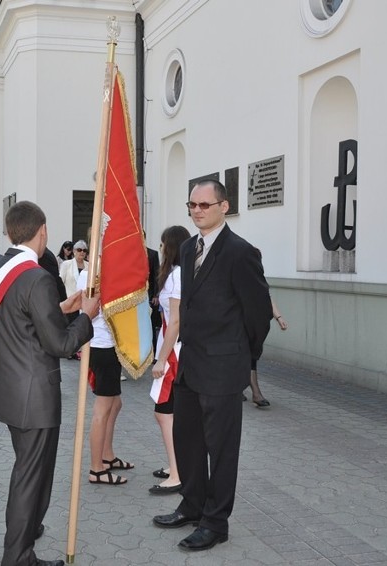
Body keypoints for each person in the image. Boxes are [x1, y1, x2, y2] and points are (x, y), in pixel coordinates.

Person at [153, 179, 271, 552]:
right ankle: (192, 505)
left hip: (223, 368)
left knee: (221, 449)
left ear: (224, 206)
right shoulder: (189, 249)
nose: (198, 210)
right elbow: (186, 306)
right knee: (187, 440)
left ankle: (216, 522)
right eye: (193, 205)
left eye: (205, 204)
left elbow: (258, 312)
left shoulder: (240, 252)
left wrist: (242, 354)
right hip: (190, 363)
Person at [0, 201, 98, 566]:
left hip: (11, 389)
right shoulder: (37, 276)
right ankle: (17, 556)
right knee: (30, 479)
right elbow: (61, 345)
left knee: (29, 474)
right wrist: (86, 316)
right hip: (35, 396)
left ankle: (26, 538)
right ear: (43, 230)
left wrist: (60, 310)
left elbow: (20, 319)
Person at [148, 225, 191, 495]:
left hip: (173, 351)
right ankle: (176, 466)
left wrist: (161, 359)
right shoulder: (181, 273)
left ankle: (177, 474)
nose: (161, 249)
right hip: (174, 347)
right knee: (170, 413)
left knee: (164, 413)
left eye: (163, 244)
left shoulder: (176, 275)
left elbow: (175, 321)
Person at [79, 268, 131, 487]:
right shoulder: (94, 273)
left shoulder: (99, 270)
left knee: (114, 403)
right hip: (103, 345)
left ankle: (107, 455)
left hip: (107, 344)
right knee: (103, 408)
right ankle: (96, 468)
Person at [246, 297, 288, 407]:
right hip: (242, 324)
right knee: (248, 357)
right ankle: (256, 393)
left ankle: (240, 387)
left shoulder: (258, 281)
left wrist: (279, 318)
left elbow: (267, 297)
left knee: (251, 356)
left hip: (257, 325)